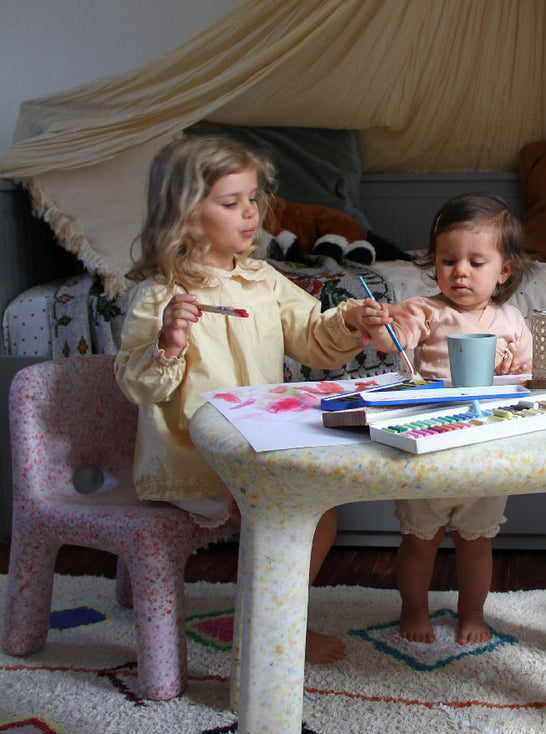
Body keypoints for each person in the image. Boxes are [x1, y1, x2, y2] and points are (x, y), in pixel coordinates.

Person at [114, 134, 383, 664]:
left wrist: (350, 319)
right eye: (231, 203)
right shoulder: (162, 295)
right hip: (193, 459)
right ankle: (272, 635)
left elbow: (313, 339)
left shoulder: (263, 279)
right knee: (292, 517)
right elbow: (139, 385)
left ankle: (272, 618)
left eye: (254, 199)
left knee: (313, 511)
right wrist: (168, 342)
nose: (251, 214)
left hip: (252, 447)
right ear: (188, 215)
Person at [362, 193, 533, 645]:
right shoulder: (427, 310)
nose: (460, 271)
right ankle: (414, 608)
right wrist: (382, 327)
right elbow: (391, 343)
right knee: (420, 541)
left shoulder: (511, 319)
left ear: (504, 271)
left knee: (476, 543)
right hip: (428, 446)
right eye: (447, 259)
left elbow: (529, 378)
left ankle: (472, 613)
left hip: (485, 450)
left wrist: (518, 374)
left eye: (477, 262)